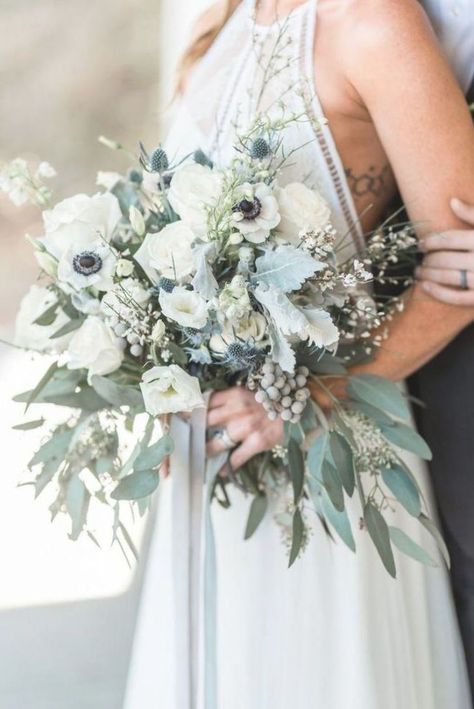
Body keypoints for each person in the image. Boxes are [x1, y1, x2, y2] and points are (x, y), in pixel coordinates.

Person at [123, 2, 474, 707]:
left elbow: (464, 272)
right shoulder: (223, 21)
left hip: (330, 461)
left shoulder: (379, 23)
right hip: (220, 451)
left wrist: (308, 394)